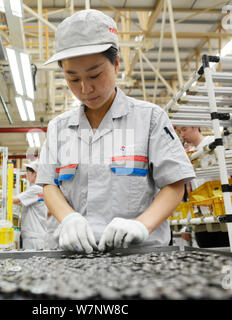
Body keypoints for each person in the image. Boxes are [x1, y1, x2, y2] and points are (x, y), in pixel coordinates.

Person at [36, 9, 196, 253]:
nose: (86, 88)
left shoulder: (150, 119)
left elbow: (175, 184)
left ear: (116, 63)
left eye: (95, 75)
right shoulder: (59, 128)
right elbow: (49, 185)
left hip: (137, 255)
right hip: (72, 257)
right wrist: (68, 218)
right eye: (73, 78)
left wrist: (142, 225)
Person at [177, 126, 232, 248]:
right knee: (207, 257)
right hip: (202, 215)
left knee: (229, 255)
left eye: (184, 129)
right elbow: (193, 193)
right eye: (179, 132)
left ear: (196, 127)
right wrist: (188, 225)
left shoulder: (211, 143)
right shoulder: (191, 152)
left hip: (222, 210)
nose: (182, 135)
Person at [13, 161, 48, 250]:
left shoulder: (35, 189)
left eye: (28, 172)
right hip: (37, 235)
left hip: (33, 237)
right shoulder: (41, 189)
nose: (27, 175)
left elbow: (15, 200)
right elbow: (21, 202)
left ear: (35, 173)